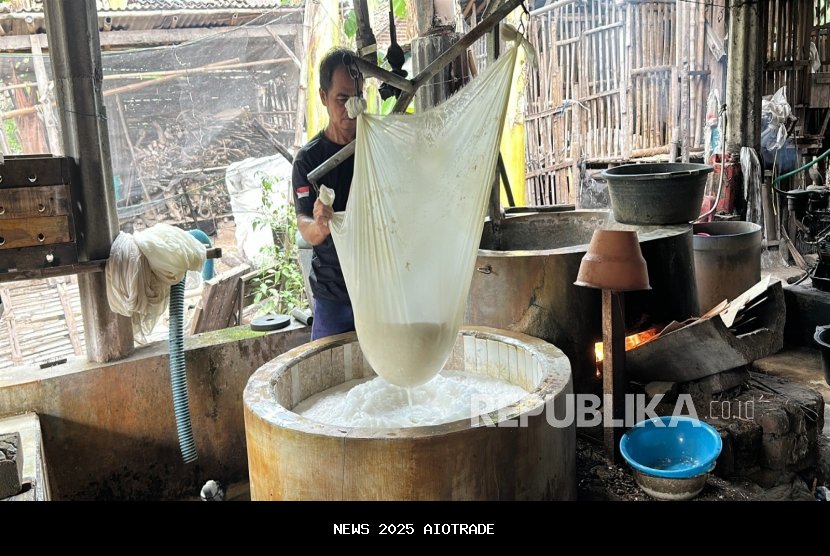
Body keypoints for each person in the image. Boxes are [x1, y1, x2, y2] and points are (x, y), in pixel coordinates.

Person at [292, 48, 363, 340]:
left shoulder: (375, 147)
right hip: (334, 294)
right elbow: (305, 228)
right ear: (323, 97)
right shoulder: (309, 161)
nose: (351, 107)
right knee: (329, 372)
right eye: (342, 98)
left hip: (378, 287)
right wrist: (320, 223)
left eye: (357, 97)